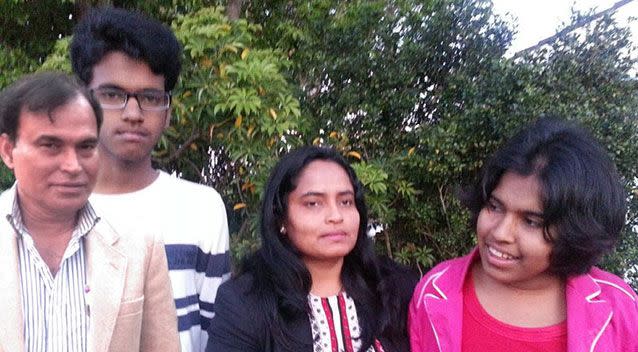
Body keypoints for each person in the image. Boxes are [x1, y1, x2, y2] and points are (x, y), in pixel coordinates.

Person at [70, 7, 230, 351]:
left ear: (168, 111)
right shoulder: (29, 213)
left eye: (150, 97)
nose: (133, 113)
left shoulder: (201, 207)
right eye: (112, 95)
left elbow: (215, 334)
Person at [409, 118, 638, 351]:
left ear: (575, 231)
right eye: (495, 206)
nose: (500, 233)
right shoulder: (435, 293)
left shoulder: (620, 309)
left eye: (531, 222)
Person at [0, 71, 179, 351]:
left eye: (86, 147)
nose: (73, 165)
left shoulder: (139, 245)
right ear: (8, 151)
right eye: (51, 146)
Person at [206, 146, 417, 352]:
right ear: (281, 217)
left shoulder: (396, 287)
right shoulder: (246, 303)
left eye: (346, 201)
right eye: (313, 203)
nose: (336, 216)